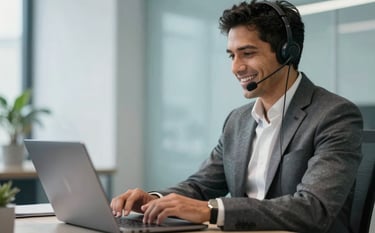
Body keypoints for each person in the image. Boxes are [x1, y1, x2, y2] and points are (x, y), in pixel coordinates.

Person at [111, 1, 363, 232]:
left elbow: (314, 208)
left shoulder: (334, 115)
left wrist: (211, 211)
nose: (236, 67)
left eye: (248, 53)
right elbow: (201, 186)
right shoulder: (238, 120)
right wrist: (154, 200)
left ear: (288, 53)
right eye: (232, 55)